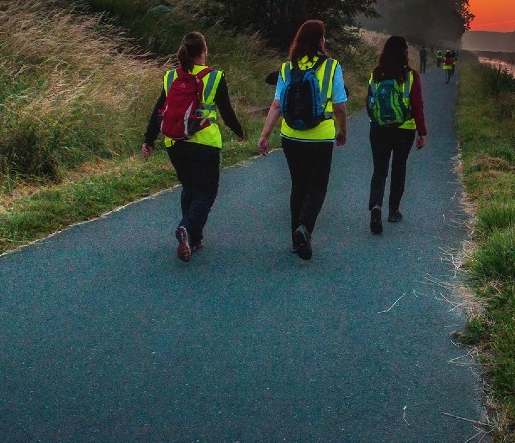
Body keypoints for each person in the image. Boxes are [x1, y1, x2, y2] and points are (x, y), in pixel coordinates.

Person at [143, 31, 245, 262]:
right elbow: (226, 112)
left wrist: (149, 140)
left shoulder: (170, 76)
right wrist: (239, 132)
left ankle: (194, 238)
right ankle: (186, 229)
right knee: (206, 192)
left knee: (189, 187)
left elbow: (158, 109)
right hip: (204, 141)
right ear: (204, 51)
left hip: (174, 142)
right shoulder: (214, 77)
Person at [258, 20, 348, 260]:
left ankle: (295, 241)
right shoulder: (332, 67)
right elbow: (340, 106)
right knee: (318, 186)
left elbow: (277, 105)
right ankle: (305, 228)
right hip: (320, 136)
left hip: (290, 136)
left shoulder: (287, 68)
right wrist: (343, 131)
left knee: (298, 185)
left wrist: (265, 135)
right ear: (320, 41)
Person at [366, 36, 427, 233]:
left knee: (379, 170)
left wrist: (377, 120)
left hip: (379, 128)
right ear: (404, 53)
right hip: (404, 128)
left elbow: (369, 103)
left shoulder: (375, 74)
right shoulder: (410, 76)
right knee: (399, 168)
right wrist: (421, 132)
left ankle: (376, 206)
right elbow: (417, 105)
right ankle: (393, 211)